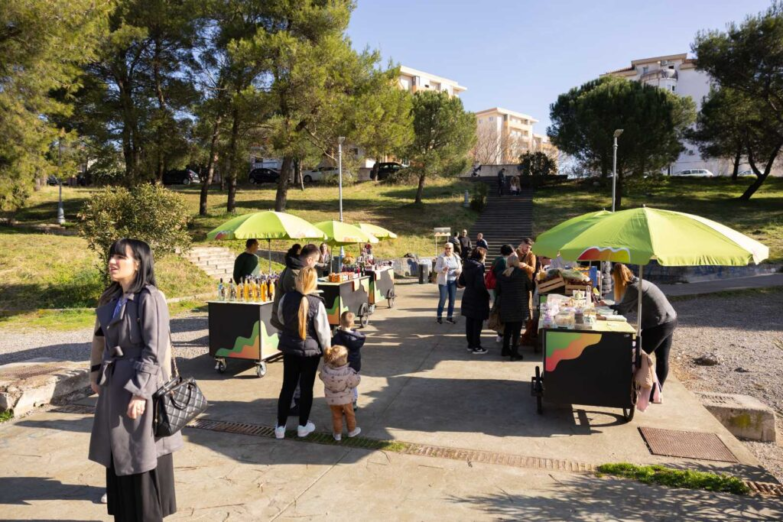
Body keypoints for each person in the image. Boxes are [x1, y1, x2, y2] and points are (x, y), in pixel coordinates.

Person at [89, 238, 181, 521]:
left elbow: (154, 350)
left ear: (138, 263)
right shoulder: (111, 297)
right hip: (113, 384)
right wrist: (95, 372)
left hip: (139, 388)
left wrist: (141, 393)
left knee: (140, 453)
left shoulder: (149, 297)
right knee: (118, 453)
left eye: (120, 257)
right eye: (111, 256)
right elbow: (99, 338)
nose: (112, 262)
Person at [275, 267, 331, 439]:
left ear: (298, 280)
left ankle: (280, 427)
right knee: (307, 389)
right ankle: (303, 425)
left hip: (290, 348)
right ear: (314, 282)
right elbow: (323, 331)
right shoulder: (317, 303)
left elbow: (280, 318)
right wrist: (327, 350)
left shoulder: (286, 298)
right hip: (310, 352)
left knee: (287, 387)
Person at [605, 264, 678, 393]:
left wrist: (604, 306)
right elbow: (633, 306)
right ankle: (656, 392)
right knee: (662, 359)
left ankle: (633, 388)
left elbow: (622, 310)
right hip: (670, 319)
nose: (614, 283)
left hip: (659, 324)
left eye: (614, 280)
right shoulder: (640, 282)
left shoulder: (634, 288)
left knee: (637, 356)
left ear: (618, 278)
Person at [271, 243, 320, 415]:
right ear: (309, 259)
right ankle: (293, 403)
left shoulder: (292, 269)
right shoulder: (295, 274)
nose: (315, 266)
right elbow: (297, 303)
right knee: (293, 376)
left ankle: (296, 400)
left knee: (294, 374)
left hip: (289, 326)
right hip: (291, 328)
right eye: (315, 262)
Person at [319, 345, 361, 441]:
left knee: (336, 416)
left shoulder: (325, 370)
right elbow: (354, 382)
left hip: (332, 399)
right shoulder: (348, 372)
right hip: (346, 399)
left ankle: (337, 434)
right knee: (350, 415)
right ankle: (352, 430)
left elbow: (321, 377)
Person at [495, 256, 531, 361]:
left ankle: (505, 349)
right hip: (519, 305)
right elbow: (529, 286)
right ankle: (514, 353)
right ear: (517, 263)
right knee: (517, 331)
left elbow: (497, 291)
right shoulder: (522, 274)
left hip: (506, 305)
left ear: (508, 263)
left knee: (507, 329)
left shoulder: (501, 274)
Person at [458, 247, 490, 355]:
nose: (485, 257)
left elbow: (461, 281)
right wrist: (487, 294)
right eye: (485, 255)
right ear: (481, 256)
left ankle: (470, 344)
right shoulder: (479, 266)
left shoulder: (466, 265)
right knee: (477, 323)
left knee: (470, 321)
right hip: (477, 297)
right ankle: (476, 346)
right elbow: (479, 284)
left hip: (468, 295)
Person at [332, 311, 366, 410]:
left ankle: (342, 402)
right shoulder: (358, 337)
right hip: (355, 365)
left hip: (342, 365)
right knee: (353, 384)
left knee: (342, 384)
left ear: (340, 322)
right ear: (353, 322)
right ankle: (354, 401)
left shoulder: (338, 337)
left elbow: (332, 347)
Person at [490, 244, 515, 342]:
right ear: (509, 252)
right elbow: (505, 275)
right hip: (502, 289)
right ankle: (501, 333)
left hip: (496, 288)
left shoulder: (497, 259)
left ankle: (500, 334)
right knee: (502, 312)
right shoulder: (504, 261)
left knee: (499, 309)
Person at [434, 242, 462, 324]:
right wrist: (443, 269)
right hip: (444, 281)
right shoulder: (441, 257)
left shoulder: (456, 257)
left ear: (452, 249)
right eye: (446, 248)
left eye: (449, 248)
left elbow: (460, 267)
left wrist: (458, 271)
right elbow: (436, 268)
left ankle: (449, 317)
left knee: (452, 300)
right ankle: (439, 316)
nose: (448, 250)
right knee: (443, 299)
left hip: (453, 281)